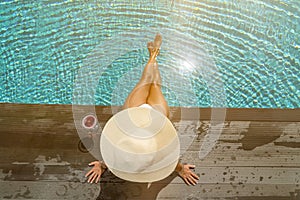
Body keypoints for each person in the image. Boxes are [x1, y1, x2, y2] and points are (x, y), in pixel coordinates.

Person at [85, 34, 199, 186]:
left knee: (146, 81)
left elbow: (112, 158)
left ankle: (152, 56)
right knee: (155, 85)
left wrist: (101, 165)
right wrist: (180, 169)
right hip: (156, 115)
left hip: (133, 111)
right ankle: (154, 55)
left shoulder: (125, 149)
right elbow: (168, 159)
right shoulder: (150, 153)